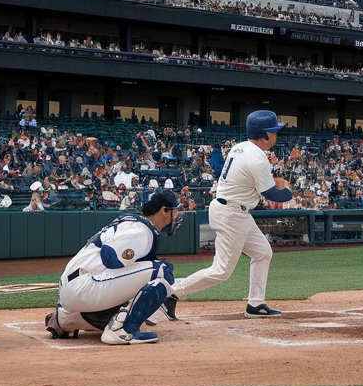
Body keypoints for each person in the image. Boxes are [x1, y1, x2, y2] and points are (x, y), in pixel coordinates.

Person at [165, 110, 292, 319]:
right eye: (274, 132)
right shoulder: (257, 156)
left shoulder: (241, 147)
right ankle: (171, 291)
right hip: (232, 213)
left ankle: (255, 304)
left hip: (234, 211)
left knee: (262, 252)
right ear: (265, 135)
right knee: (221, 270)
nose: (276, 136)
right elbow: (271, 194)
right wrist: (287, 190)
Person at [46, 191, 182, 345]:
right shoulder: (143, 231)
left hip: (71, 291)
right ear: (164, 210)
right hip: (85, 285)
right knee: (162, 271)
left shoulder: (132, 222)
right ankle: (122, 331)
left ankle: (66, 319)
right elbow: (110, 256)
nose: (176, 216)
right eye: (174, 211)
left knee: (136, 288)